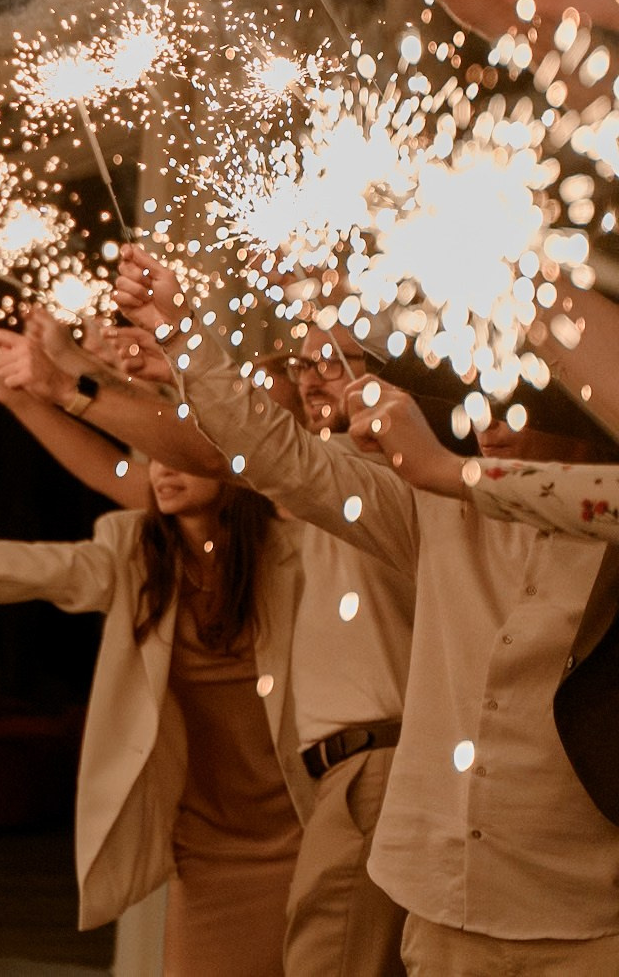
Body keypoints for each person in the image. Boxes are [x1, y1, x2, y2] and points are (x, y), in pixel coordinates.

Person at [113, 247, 619, 973]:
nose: (488, 415)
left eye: (520, 395)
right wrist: (187, 338)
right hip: (438, 894)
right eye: (478, 389)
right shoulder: (434, 509)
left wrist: (450, 469)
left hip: (587, 911)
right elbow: (283, 458)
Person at [0, 311, 416, 977]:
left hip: (356, 774)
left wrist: (72, 380)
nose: (312, 380)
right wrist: (53, 384)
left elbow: (206, 451)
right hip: (301, 792)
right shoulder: (291, 499)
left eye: (337, 362)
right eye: (305, 365)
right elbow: (159, 460)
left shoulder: (342, 483)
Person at [0, 447, 307, 974]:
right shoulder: (134, 547)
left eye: (180, 456)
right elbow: (54, 568)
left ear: (232, 464)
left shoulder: (289, 549)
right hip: (205, 835)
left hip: (299, 824)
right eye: (156, 457)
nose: (163, 469)